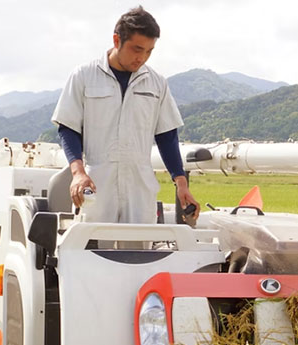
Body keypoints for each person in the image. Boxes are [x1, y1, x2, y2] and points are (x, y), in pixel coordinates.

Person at [51, 6, 199, 224]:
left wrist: (181, 183)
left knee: (139, 245)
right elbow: (68, 127)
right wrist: (78, 172)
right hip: (96, 184)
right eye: (137, 49)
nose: (142, 58)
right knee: (94, 243)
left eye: (149, 51)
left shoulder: (156, 83)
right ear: (116, 40)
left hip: (140, 188)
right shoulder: (84, 76)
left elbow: (167, 135)